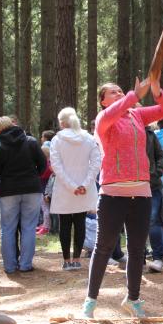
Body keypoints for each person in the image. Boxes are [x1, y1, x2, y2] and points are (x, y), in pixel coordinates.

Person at [81, 77, 163, 319]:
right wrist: (133, 94)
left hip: (141, 192)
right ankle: (90, 301)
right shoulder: (103, 119)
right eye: (113, 92)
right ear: (102, 101)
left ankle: (133, 299)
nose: (119, 93)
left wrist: (155, 91)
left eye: (120, 90)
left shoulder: (137, 115)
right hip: (113, 193)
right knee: (103, 248)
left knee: (136, 250)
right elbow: (117, 110)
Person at [0, 116, 48, 273]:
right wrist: (34, 175)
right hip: (32, 189)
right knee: (29, 227)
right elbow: (43, 164)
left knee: (7, 229)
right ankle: (25, 264)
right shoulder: (30, 141)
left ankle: (9, 266)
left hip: (9, 190)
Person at [49, 107, 101, 271]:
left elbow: (56, 166)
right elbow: (96, 163)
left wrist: (71, 186)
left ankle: (66, 260)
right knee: (80, 223)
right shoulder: (89, 138)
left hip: (64, 189)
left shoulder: (57, 140)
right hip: (84, 188)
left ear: (62, 122)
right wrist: (84, 184)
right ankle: (77, 259)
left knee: (65, 224)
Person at [145, 122, 163, 273]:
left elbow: (161, 155)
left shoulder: (151, 135)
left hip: (152, 185)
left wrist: (156, 172)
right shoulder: (125, 133)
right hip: (131, 186)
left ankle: (158, 257)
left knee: (154, 219)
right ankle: (138, 256)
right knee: (134, 222)